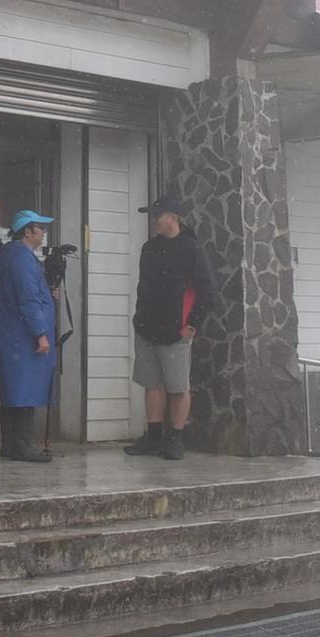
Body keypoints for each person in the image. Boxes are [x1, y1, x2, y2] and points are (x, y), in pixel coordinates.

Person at [123, 194, 216, 461]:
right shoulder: (149, 248)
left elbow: (207, 291)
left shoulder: (192, 249)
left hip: (177, 330)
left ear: (172, 218)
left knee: (178, 387)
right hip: (146, 326)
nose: (153, 221)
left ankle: (176, 438)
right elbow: (143, 285)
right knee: (152, 385)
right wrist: (138, 315)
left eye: (157, 216)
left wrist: (192, 325)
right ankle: (153, 437)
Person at [0, 209, 58, 463]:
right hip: (24, 336)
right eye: (40, 228)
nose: (44, 233)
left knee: (13, 390)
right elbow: (27, 298)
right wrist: (41, 334)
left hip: (13, 334)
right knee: (25, 391)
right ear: (27, 231)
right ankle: (23, 446)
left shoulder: (11, 255)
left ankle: (10, 444)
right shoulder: (21, 257)